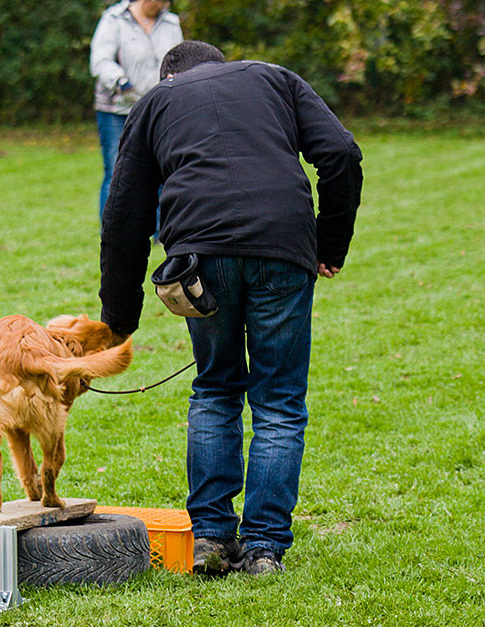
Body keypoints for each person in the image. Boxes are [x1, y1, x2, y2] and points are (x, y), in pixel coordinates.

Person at [99, 41, 363, 576]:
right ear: (221, 66)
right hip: (284, 248)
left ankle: (212, 540)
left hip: (200, 258)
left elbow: (123, 212)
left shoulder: (157, 100)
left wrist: (120, 318)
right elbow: (341, 154)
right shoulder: (274, 78)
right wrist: (328, 245)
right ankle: (265, 547)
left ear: (172, 75)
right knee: (280, 399)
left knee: (217, 387)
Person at [89, 0, 182, 223]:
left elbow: (179, 59)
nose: (163, 4)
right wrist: (121, 82)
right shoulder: (114, 20)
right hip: (117, 110)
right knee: (116, 171)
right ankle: (113, 229)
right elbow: (100, 61)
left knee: (163, 169)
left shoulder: (171, 22)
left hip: (159, 109)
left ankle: (164, 230)